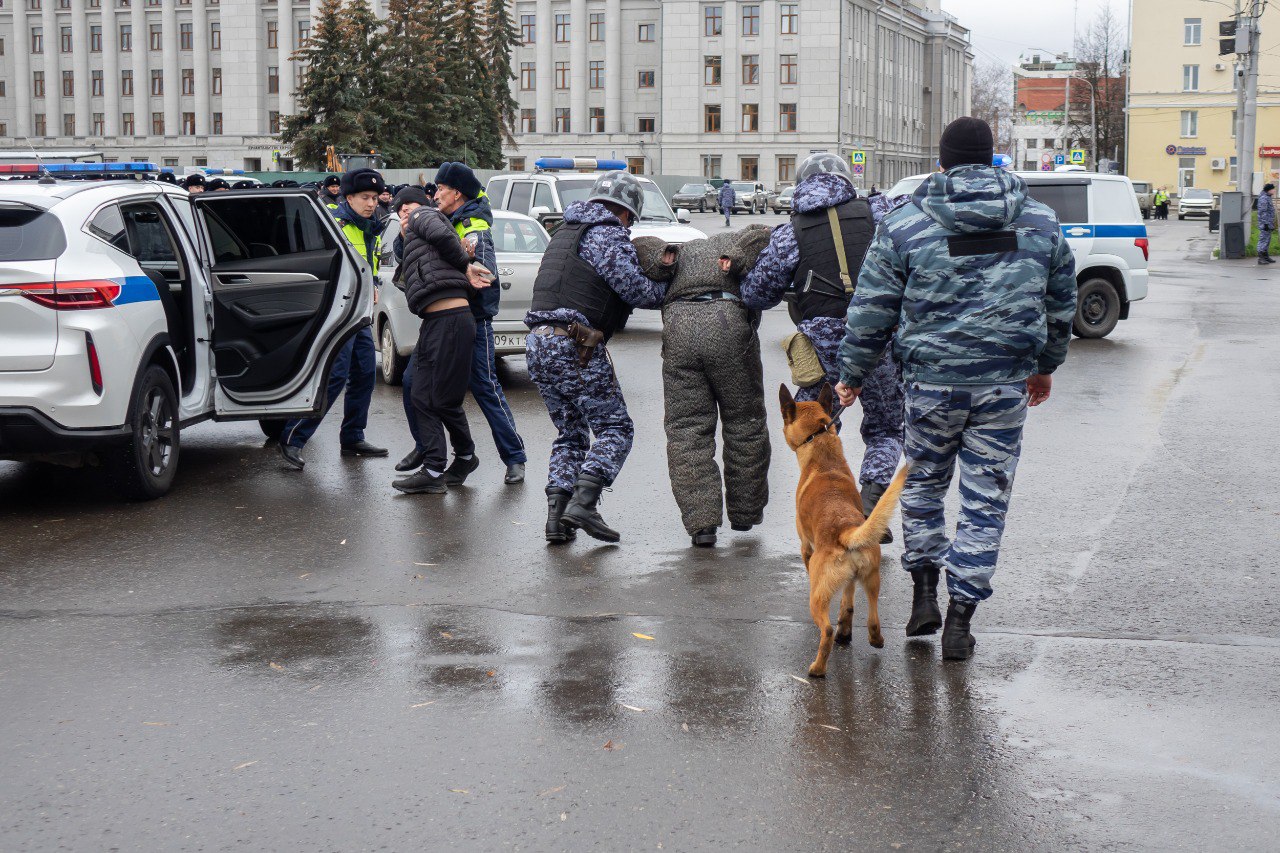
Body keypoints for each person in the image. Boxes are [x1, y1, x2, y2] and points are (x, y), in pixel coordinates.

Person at [834, 116, 1077, 661]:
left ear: (941, 161)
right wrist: (1046, 365)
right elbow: (1061, 304)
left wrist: (850, 375)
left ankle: (924, 591)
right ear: (992, 158)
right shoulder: (1040, 221)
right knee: (985, 502)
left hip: (930, 387)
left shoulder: (904, 223)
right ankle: (960, 621)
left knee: (920, 487)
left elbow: (872, 310)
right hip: (1004, 387)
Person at [740, 152, 903, 543]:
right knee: (886, 428)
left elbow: (757, 294)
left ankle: (825, 512)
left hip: (821, 344)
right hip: (880, 335)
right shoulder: (880, 211)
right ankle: (871, 499)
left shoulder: (790, 231)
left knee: (815, 430)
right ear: (847, 179)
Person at [525, 171, 672, 544]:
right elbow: (640, 292)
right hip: (575, 346)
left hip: (538, 343)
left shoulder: (563, 232)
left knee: (571, 433)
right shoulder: (606, 234)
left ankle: (557, 520)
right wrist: (672, 281)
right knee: (615, 429)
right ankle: (584, 503)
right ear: (625, 213)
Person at [633, 226, 773, 547]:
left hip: (679, 328)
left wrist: (662, 256)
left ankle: (702, 524)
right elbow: (766, 234)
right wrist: (739, 259)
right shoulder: (735, 244)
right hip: (728, 322)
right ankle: (744, 513)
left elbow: (639, 244)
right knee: (745, 422)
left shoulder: (681, 254)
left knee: (686, 428)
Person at [409, 161, 525, 486]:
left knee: (485, 387)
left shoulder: (472, 228)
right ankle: (447, 455)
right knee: (423, 385)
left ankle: (514, 458)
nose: (436, 194)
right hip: (445, 321)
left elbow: (484, 276)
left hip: (472, 321)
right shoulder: (447, 221)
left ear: (456, 192)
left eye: (441, 189)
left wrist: (457, 276)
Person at [278, 168, 389, 469]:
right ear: (347, 197)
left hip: (361, 312)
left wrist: (375, 285)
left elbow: (372, 263)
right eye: (365, 197)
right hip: (337, 313)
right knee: (334, 376)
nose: (371, 203)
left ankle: (352, 436)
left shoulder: (371, 226)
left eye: (375, 198)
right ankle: (293, 438)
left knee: (365, 373)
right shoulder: (334, 224)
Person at [391, 189, 494, 495]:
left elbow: (445, 239)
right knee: (444, 400)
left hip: (448, 321)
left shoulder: (427, 216)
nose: (406, 214)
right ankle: (464, 457)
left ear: (422, 206)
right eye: (401, 211)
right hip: (442, 322)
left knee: (424, 396)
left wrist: (465, 264)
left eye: (410, 208)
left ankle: (434, 469)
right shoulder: (415, 237)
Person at [1257, 183, 1275, 264]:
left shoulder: (1268, 197)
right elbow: (1263, 212)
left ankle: (1265, 256)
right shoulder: (1264, 198)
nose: (1274, 190)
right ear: (1269, 190)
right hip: (1265, 223)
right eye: (1273, 189)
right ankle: (1260, 258)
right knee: (1263, 239)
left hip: (1269, 222)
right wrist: (1265, 224)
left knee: (1267, 239)